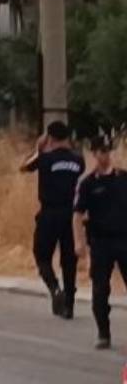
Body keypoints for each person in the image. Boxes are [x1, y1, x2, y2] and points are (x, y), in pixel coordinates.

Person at [19, 120, 83, 319]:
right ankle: (69, 305)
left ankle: (55, 289)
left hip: (49, 214)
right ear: (68, 137)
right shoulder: (79, 160)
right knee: (69, 260)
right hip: (71, 215)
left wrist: (39, 149)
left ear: (49, 138)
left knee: (42, 255)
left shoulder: (45, 159)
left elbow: (23, 167)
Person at [75, 136, 127, 350]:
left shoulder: (123, 178)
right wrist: (79, 242)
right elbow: (77, 214)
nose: (104, 155)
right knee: (100, 290)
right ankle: (103, 333)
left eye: (107, 151)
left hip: (124, 239)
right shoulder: (87, 184)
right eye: (100, 151)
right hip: (101, 242)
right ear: (94, 154)